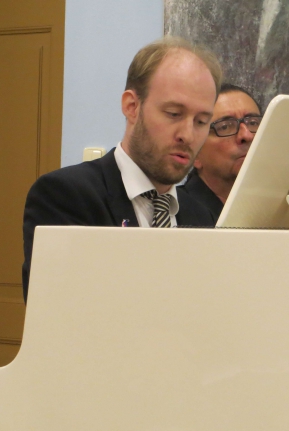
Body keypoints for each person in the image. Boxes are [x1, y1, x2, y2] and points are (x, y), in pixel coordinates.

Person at [22, 36, 222, 301]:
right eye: (174, 114)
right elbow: (59, 310)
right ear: (132, 107)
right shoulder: (66, 195)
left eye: (201, 121)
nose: (188, 135)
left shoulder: (202, 216)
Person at [179, 84, 262, 221]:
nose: (247, 135)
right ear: (195, 153)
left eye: (253, 123)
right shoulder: (175, 213)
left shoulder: (284, 207)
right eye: (225, 127)